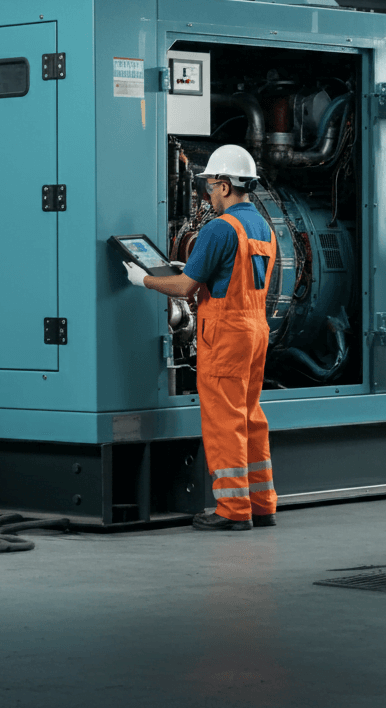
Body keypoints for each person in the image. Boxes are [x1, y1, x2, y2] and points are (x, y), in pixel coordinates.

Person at [124, 145, 278, 533]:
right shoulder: (262, 227)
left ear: (225, 186)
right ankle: (262, 504)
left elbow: (184, 286)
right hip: (256, 330)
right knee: (250, 416)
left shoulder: (218, 228)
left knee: (224, 421)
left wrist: (143, 279)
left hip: (225, 335)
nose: (207, 194)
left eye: (211, 186)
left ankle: (232, 509)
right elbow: (227, 276)